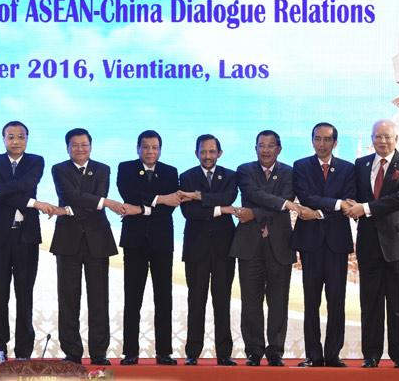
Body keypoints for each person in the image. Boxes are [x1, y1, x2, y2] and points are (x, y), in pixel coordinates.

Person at [344, 119, 399, 369]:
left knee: (398, 304)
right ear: (372, 138)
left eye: (387, 136)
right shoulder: (361, 164)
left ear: (396, 138)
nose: (382, 141)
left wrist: (363, 208)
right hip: (368, 244)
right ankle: (371, 355)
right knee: (371, 303)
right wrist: (348, 203)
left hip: (397, 244)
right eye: (378, 136)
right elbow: (354, 193)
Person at [0, 121, 57, 363]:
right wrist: (33, 202)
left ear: (27, 139)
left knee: (24, 293)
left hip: (26, 237)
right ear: (3, 139)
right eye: (11, 137)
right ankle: (0, 346)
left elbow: (22, 186)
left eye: (20, 137)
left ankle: (24, 350)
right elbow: (11, 194)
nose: (16, 141)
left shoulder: (36, 161)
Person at [50, 128, 124, 365]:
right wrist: (103, 203)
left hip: (97, 240)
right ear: (67, 147)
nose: (80, 149)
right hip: (67, 240)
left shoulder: (103, 169)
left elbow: (91, 197)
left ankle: (99, 352)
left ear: (91, 146)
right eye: (75, 145)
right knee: (68, 298)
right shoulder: (59, 169)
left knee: (99, 298)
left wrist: (71, 209)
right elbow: (70, 194)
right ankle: (72, 352)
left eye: (84, 145)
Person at [229, 130, 300, 367]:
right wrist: (281, 205)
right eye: (261, 145)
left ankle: (275, 351)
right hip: (249, 245)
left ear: (279, 149)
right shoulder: (245, 170)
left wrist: (254, 214)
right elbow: (253, 194)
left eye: (271, 146)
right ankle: (254, 351)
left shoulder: (290, 172)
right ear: (255, 148)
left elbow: (286, 198)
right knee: (251, 301)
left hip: (280, 246)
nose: (266, 150)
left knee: (278, 301)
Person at [291, 123, 355, 368]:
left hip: (337, 244)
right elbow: (306, 198)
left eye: (327, 139)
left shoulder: (348, 169)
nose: (321, 143)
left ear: (335, 143)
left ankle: (332, 355)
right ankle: (313, 355)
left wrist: (319, 212)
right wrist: (337, 204)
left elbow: (350, 201)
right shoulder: (301, 166)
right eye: (317, 138)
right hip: (310, 243)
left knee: (336, 301)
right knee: (311, 301)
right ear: (312, 140)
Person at [116, 129, 181, 365]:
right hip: (134, 243)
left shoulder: (171, 172)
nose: (150, 151)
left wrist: (145, 206)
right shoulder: (125, 168)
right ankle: (130, 352)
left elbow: (172, 205)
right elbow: (130, 193)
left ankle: (164, 352)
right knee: (132, 297)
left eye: (154, 147)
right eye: (145, 147)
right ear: (138, 148)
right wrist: (160, 199)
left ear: (160, 150)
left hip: (162, 242)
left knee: (164, 298)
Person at [176, 134, 240, 366]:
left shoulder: (231, 176)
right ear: (196, 153)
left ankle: (224, 354)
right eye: (203, 152)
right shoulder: (186, 177)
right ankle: (193, 352)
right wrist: (221, 210)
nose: (207, 156)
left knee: (222, 301)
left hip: (224, 249)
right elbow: (189, 212)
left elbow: (229, 196)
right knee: (196, 301)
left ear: (219, 153)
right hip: (196, 249)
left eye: (212, 152)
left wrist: (199, 197)